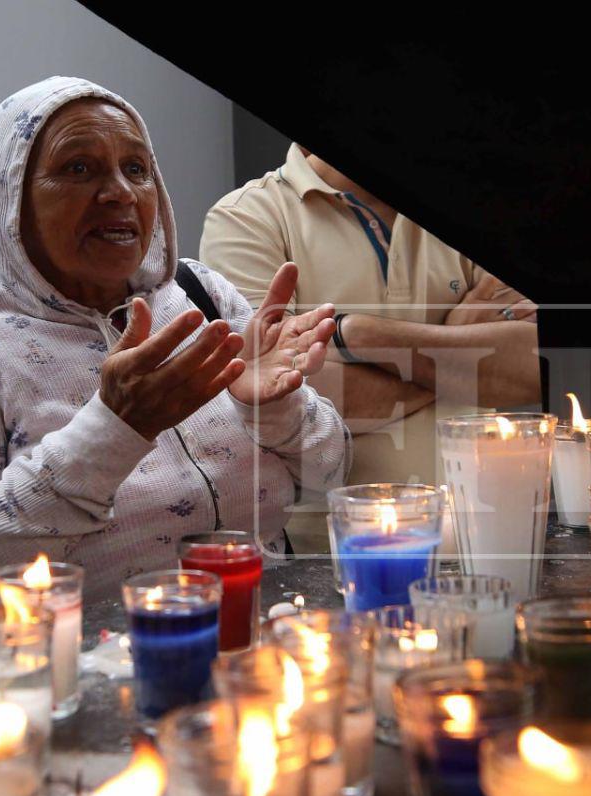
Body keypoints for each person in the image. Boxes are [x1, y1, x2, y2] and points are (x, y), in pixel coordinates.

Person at [0, 77, 349, 631]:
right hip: (88, 666)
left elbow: (331, 473)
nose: (121, 193)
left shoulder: (201, 294)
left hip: (261, 647)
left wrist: (275, 410)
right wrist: (113, 431)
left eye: (136, 168)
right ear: (10, 198)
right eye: (78, 167)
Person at [201, 144, 540, 551]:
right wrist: (460, 347)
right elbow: (289, 398)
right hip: (331, 552)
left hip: (484, 540)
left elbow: (531, 372)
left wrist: (365, 335)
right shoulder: (246, 218)